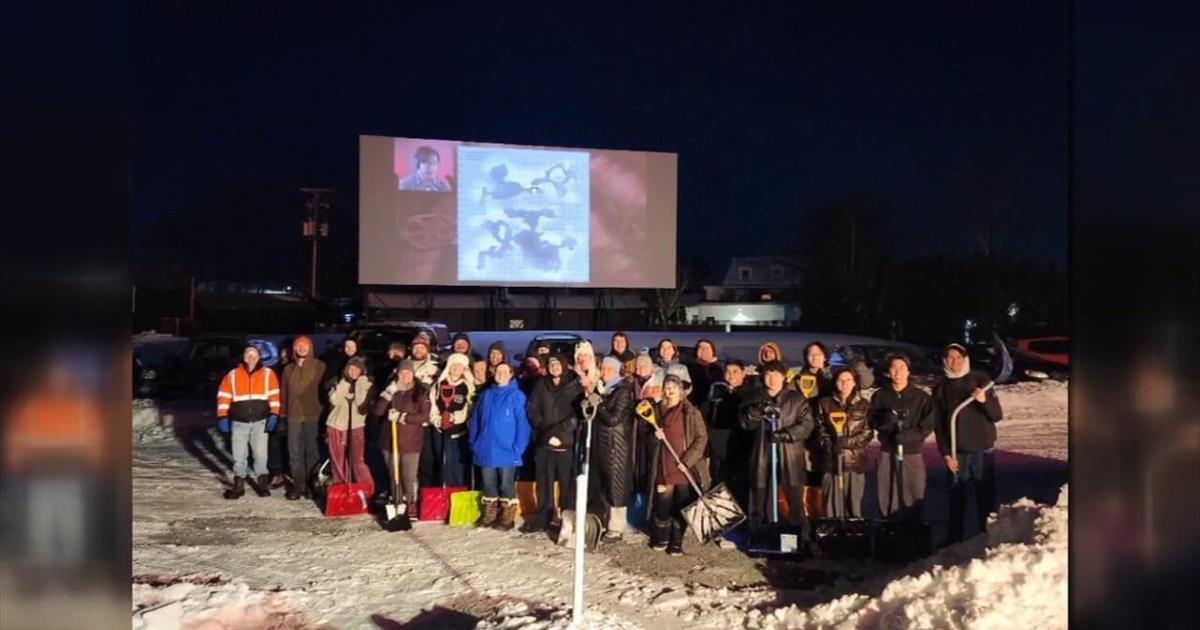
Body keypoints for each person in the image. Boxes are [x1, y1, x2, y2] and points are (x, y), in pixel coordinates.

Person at [933, 343, 1003, 544]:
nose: (954, 362)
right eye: (950, 358)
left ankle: (987, 533)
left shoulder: (980, 380)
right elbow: (939, 424)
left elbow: (997, 415)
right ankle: (955, 536)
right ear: (945, 361)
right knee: (956, 497)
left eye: (958, 357)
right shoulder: (941, 388)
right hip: (957, 452)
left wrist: (983, 400)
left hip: (982, 449)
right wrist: (946, 454)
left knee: (985, 495)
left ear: (966, 359)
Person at [739, 360, 814, 537]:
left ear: (784, 377)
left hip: (790, 455)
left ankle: (800, 536)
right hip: (762, 454)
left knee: (794, 500)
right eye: (767, 375)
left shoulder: (795, 399)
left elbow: (807, 425)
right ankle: (759, 535)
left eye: (776, 375)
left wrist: (787, 434)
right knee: (759, 498)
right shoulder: (754, 397)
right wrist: (754, 412)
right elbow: (744, 423)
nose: (771, 379)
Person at [646, 374, 709, 556]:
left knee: (682, 506)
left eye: (673, 386)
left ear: (680, 390)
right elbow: (648, 439)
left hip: (684, 467)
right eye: (666, 386)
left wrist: (687, 460)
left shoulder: (690, 411)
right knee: (663, 505)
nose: (669, 390)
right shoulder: (658, 410)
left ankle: (676, 541)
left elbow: (701, 438)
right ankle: (661, 537)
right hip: (664, 465)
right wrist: (654, 437)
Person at [869, 353, 935, 520]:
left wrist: (909, 436)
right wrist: (885, 422)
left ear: (908, 371)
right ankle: (889, 523)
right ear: (889, 372)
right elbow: (872, 420)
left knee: (913, 492)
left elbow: (928, 424)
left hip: (911, 452)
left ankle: (912, 526)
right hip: (888, 451)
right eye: (894, 368)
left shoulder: (921, 398)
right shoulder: (880, 396)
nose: (897, 372)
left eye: (901, 368)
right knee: (888, 491)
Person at [523, 354, 582, 532]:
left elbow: (577, 414)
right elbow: (532, 409)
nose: (554, 367)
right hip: (544, 441)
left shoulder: (574, 385)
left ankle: (566, 519)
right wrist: (545, 432)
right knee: (544, 481)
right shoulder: (541, 385)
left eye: (557, 364)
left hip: (565, 440)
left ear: (564, 365)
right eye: (551, 364)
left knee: (566, 483)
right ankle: (544, 517)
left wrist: (558, 433)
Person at [470, 363, 532, 530]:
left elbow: (523, 424)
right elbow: (476, 420)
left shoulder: (517, 396)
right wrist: (474, 442)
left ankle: (507, 516)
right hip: (486, 448)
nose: (501, 374)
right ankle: (489, 514)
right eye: (498, 371)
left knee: (506, 484)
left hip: (507, 449)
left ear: (511, 374)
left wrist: (518, 448)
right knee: (488, 482)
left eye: (505, 371)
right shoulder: (486, 394)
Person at [217, 344, 282, 499]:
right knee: (239, 456)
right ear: (244, 357)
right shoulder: (232, 375)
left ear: (259, 357)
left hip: (261, 422)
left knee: (261, 455)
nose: (251, 358)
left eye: (254, 355)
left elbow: (274, 396)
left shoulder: (268, 374)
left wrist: (274, 414)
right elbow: (224, 396)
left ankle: (263, 485)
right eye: (248, 354)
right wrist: (222, 416)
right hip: (239, 422)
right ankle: (238, 486)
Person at [373, 359, 431, 516]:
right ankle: (397, 501)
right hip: (390, 441)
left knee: (409, 476)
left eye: (408, 372)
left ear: (413, 374)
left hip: (411, 442)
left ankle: (411, 502)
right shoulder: (392, 390)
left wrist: (402, 417)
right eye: (402, 372)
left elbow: (424, 416)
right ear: (397, 374)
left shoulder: (420, 391)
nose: (405, 375)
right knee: (394, 475)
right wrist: (388, 393)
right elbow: (378, 411)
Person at [816, 369, 874, 518]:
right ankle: (833, 535)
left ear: (854, 382)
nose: (844, 383)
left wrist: (845, 442)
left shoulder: (864, 405)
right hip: (831, 463)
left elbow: (867, 433)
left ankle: (854, 536)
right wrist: (831, 445)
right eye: (841, 380)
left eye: (848, 380)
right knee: (832, 507)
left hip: (854, 463)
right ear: (835, 383)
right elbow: (820, 430)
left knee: (854, 506)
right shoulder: (825, 404)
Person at [591, 356, 636, 540]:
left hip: (616, 445)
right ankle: (606, 520)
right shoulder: (604, 389)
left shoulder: (623, 391)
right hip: (603, 444)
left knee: (616, 485)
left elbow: (614, 419)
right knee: (605, 484)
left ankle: (617, 526)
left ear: (617, 370)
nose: (604, 371)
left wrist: (599, 404)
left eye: (609, 368)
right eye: (604, 368)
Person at [280, 336, 326, 500]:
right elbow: (283, 393)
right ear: (294, 349)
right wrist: (282, 415)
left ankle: (311, 484)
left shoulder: (320, 367)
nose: (301, 348)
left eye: (304, 345)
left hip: (313, 414)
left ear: (310, 348)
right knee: (294, 452)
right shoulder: (288, 369)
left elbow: (324, 391)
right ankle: (299, 485)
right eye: (298, 346)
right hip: (293, 415)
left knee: (312, 452)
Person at [796, 341, 835, 519]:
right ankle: (808, 513)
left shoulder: (832, 377)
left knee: (826, 472)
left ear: (825, 356)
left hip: (827, 431)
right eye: (810, 354)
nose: (814, 357)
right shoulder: (798, 378)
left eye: (818, 354)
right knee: (807, 472)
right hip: (805, 433)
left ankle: (826, 514)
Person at [327, 356, 374, 493]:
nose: (353, 371)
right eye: (351, 368)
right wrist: (345, 383)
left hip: (356, 426)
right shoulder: (338, 383)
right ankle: (340, 489)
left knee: (357, 460)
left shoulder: (366, 384)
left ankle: (366, 490)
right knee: (338, 461)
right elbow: (334, 400)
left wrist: (360, 383)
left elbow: (361, 403)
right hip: (336, 425)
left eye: (357, 369)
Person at [706, 359, 752, 499]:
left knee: (741, 484)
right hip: (719, 446)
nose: (731, 375)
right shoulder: (716, 391)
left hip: (742, 446)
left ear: (743, 374)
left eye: (735, 372)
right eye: (728, 372)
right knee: (720, 483)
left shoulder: (750, 394)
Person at [428, 353, 475, 487]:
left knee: (458, 464)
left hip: (459, 433)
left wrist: (455, 418)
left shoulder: (467, 387)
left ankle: (459, 491)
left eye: (460, 366)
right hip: (440, 431)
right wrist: (438, 420)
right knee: (443, 463)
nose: (456, 369)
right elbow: (433, 406)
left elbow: (469, 408)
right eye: (454, 365)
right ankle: (444, 492)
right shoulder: (438, 385)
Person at [688, 338, 723, 406]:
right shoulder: (689, 367)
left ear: (713, 352)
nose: (703, 350)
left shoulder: (719, 368)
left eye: (707, 348)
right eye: (700, 348)